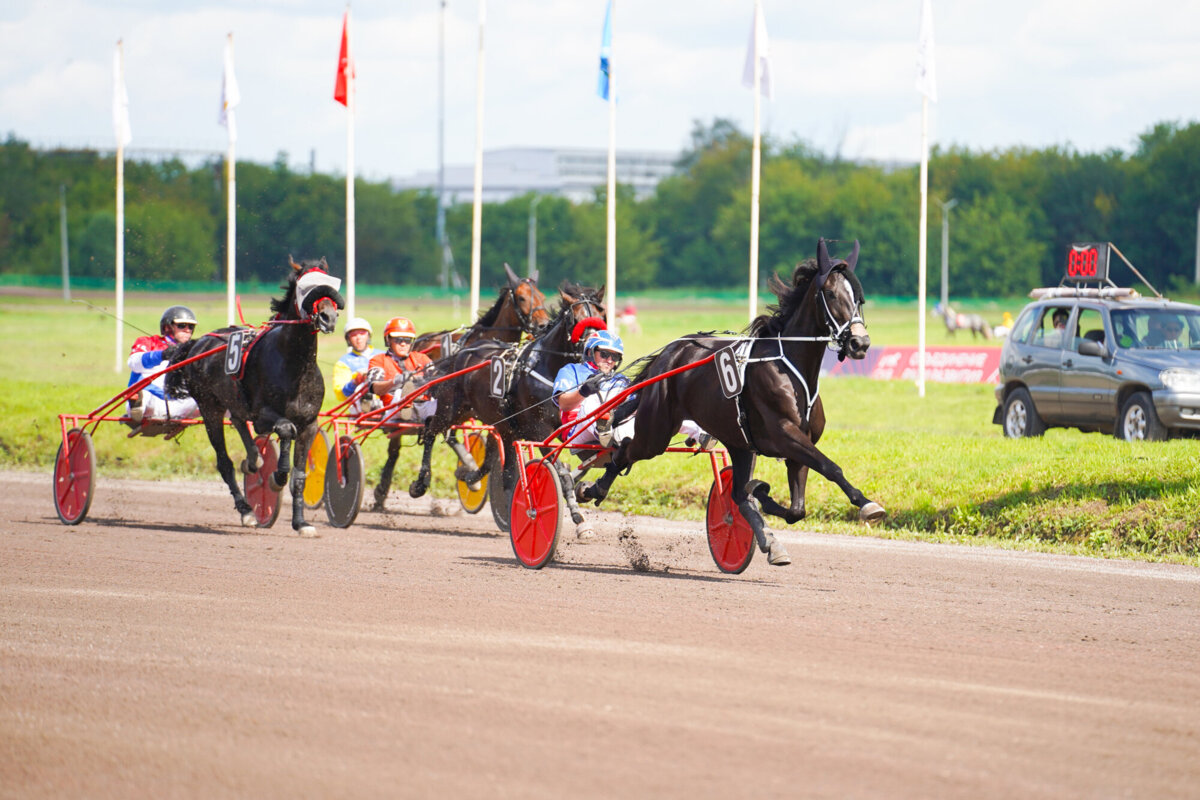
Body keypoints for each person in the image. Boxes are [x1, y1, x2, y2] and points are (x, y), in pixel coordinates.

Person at [552, 330, 711, 450]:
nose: (609, 360)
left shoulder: (620, 380)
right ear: (590, 352)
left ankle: (700, 433)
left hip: (616, 422)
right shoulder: (571, 370)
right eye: (605, 354)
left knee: (657, 407)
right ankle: (605, 429)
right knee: (592, 401)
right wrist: (583, 392)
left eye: (614, 357)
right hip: (576, 429)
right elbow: (563, 405)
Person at [125, 305, 201, 428]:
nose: (187, 330)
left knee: (213, 400)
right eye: (182, 326)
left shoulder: (194, 350)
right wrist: (163, 355)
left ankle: (241, 415)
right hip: (152, 402)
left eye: (191, 327)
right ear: (167, 327)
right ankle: (137, 404)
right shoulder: (149, 342)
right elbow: (133, 363)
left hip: (179, 405)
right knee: (144, 396)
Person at [366, 317, 437, 423]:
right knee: (400, 392)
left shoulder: (421, 358)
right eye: (398, 340)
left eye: (407, 340)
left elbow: (436, 376)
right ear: (388, 339)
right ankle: (406, 403)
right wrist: (395, 381)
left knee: (445, 399)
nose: (403, 344)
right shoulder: (378, 360)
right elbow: (375, 388)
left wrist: (422, 380)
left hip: (424, 405)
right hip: (393, 409)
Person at [332, 317, 382, 415]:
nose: (358, 338)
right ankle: (368, 404)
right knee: (363, 387)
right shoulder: (344, 362)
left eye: (362, 334)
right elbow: (341, 394)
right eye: (354, 335)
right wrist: (355, 381)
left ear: (368, 336)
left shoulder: (382, 355)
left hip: (385, 400)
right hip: (359, 406)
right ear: (348, 339)